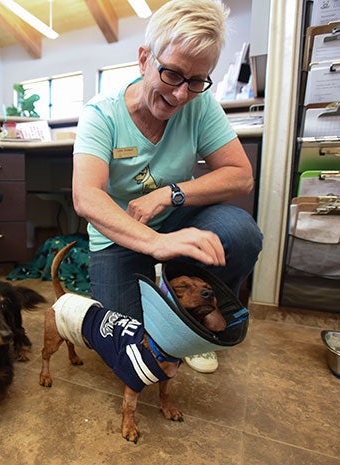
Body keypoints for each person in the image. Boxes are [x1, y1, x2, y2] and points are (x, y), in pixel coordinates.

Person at [71, 0, 263, 374]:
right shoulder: (101, 114)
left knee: (240, 233)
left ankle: (199, 320)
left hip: (175, 219)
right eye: (172, 74)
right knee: (130, 344)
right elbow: (86, 196)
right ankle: (168, 292)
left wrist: (168, 194)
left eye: (195, 81)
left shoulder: (200, 104)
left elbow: (241, 175)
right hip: (119, 236)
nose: (180, 95)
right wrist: (156, 244)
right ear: (144, 59)